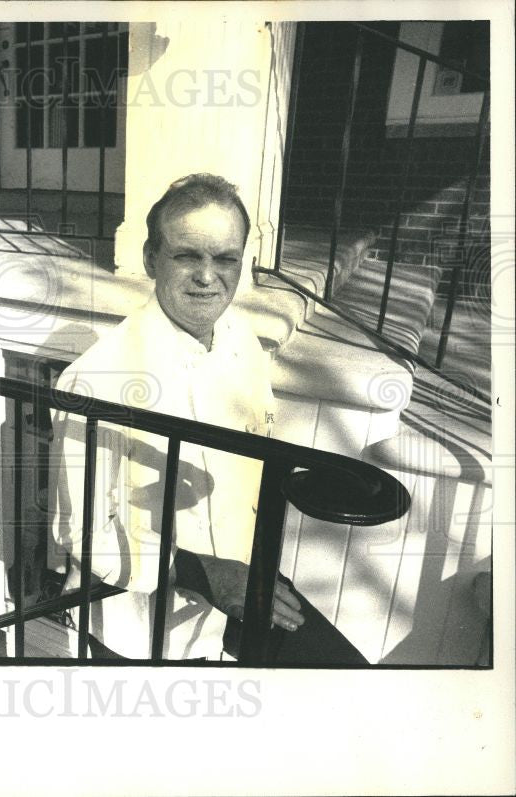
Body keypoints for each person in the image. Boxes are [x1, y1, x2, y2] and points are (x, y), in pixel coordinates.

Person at [49, 174, 367, 664]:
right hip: (141, 639)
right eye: (186, 256)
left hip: (231, 610)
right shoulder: (96, 379)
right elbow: (81, 536)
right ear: (152, 258)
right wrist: (203, 573)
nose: (206, 276)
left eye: (224, 259)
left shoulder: (241, 338)